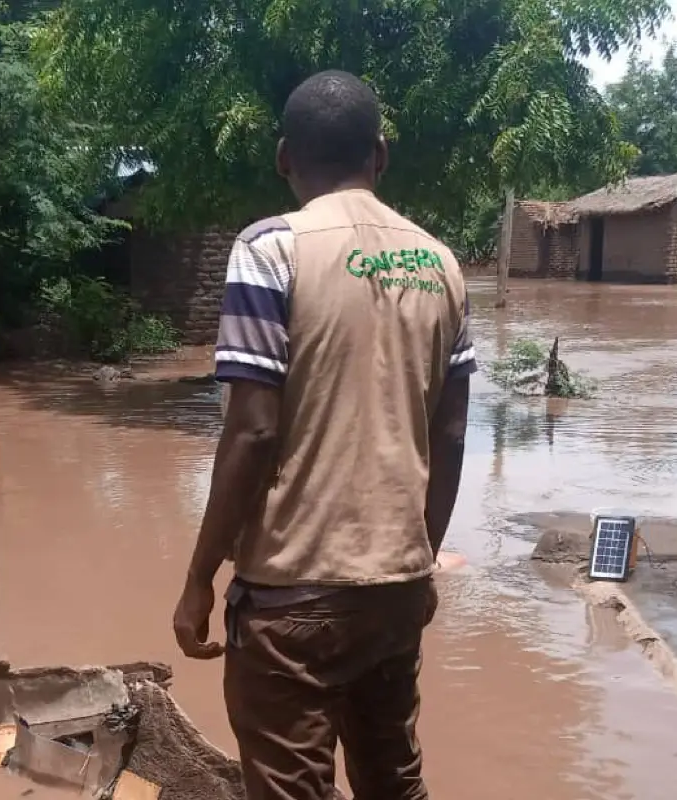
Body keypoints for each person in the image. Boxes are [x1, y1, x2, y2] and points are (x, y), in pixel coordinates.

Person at [172, 70, 475, 800]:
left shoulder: (270, 250)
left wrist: (197, 580)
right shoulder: (442, 262)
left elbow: (251, 432)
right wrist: (422, 558)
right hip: (395, 588)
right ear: (381, 154)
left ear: (283, 158)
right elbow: (454, 432)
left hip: (290, 597)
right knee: (393, 780)